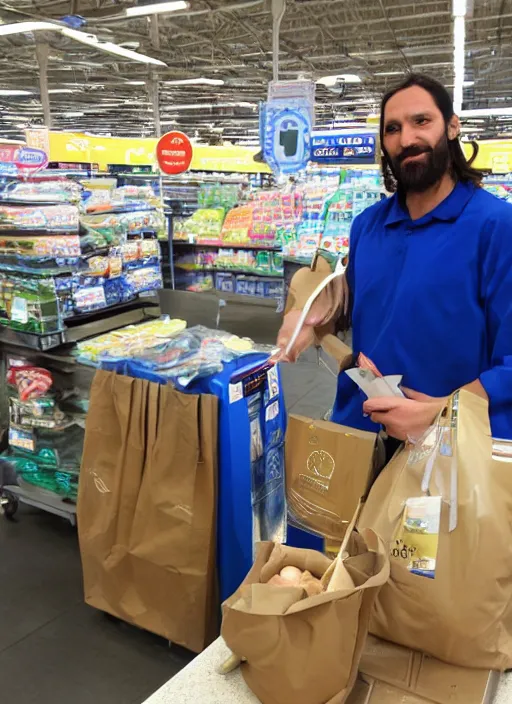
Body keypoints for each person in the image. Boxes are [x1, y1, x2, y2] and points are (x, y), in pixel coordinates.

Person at [278, 73, 512, 442]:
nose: (406, 139)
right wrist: (310, 315)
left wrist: (444, 413)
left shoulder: (496, 227)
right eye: (392, 128)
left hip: (449, 451)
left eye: (422, 121)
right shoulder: (367, 227)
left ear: (452, 127)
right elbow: (365, 305)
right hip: (360, 432)